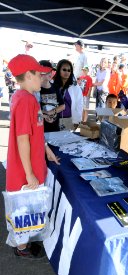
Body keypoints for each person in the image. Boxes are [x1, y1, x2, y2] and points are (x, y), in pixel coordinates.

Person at [6, 54, 61, 258]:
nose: (42, 78)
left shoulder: (25, 97)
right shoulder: (25, 100)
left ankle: (23, 244)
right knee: (24, 209)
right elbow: (23, 139)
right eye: (39, 74)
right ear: (28, 76)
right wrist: (29, 174)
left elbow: (34, 131)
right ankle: (22, 248)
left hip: (29, 164)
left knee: (27, 208)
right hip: (24, 169)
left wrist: (46, 149)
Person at [53, 59, 83, 130]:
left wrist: (77, 121)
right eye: (64, 69)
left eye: (69, 70)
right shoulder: (51, 84)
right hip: (53, 121)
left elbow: (79, 104)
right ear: (59, 70)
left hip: (69, 121)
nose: (67, 72)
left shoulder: (75, 87)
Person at [39, 60, 65, 132]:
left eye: (51, 71)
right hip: (41, 129)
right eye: (46, 71)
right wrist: (45, 115)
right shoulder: (36, 90)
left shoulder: (55, 87)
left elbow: (62, 106)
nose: (50, 73)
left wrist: (51, 112)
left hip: (55, 127)